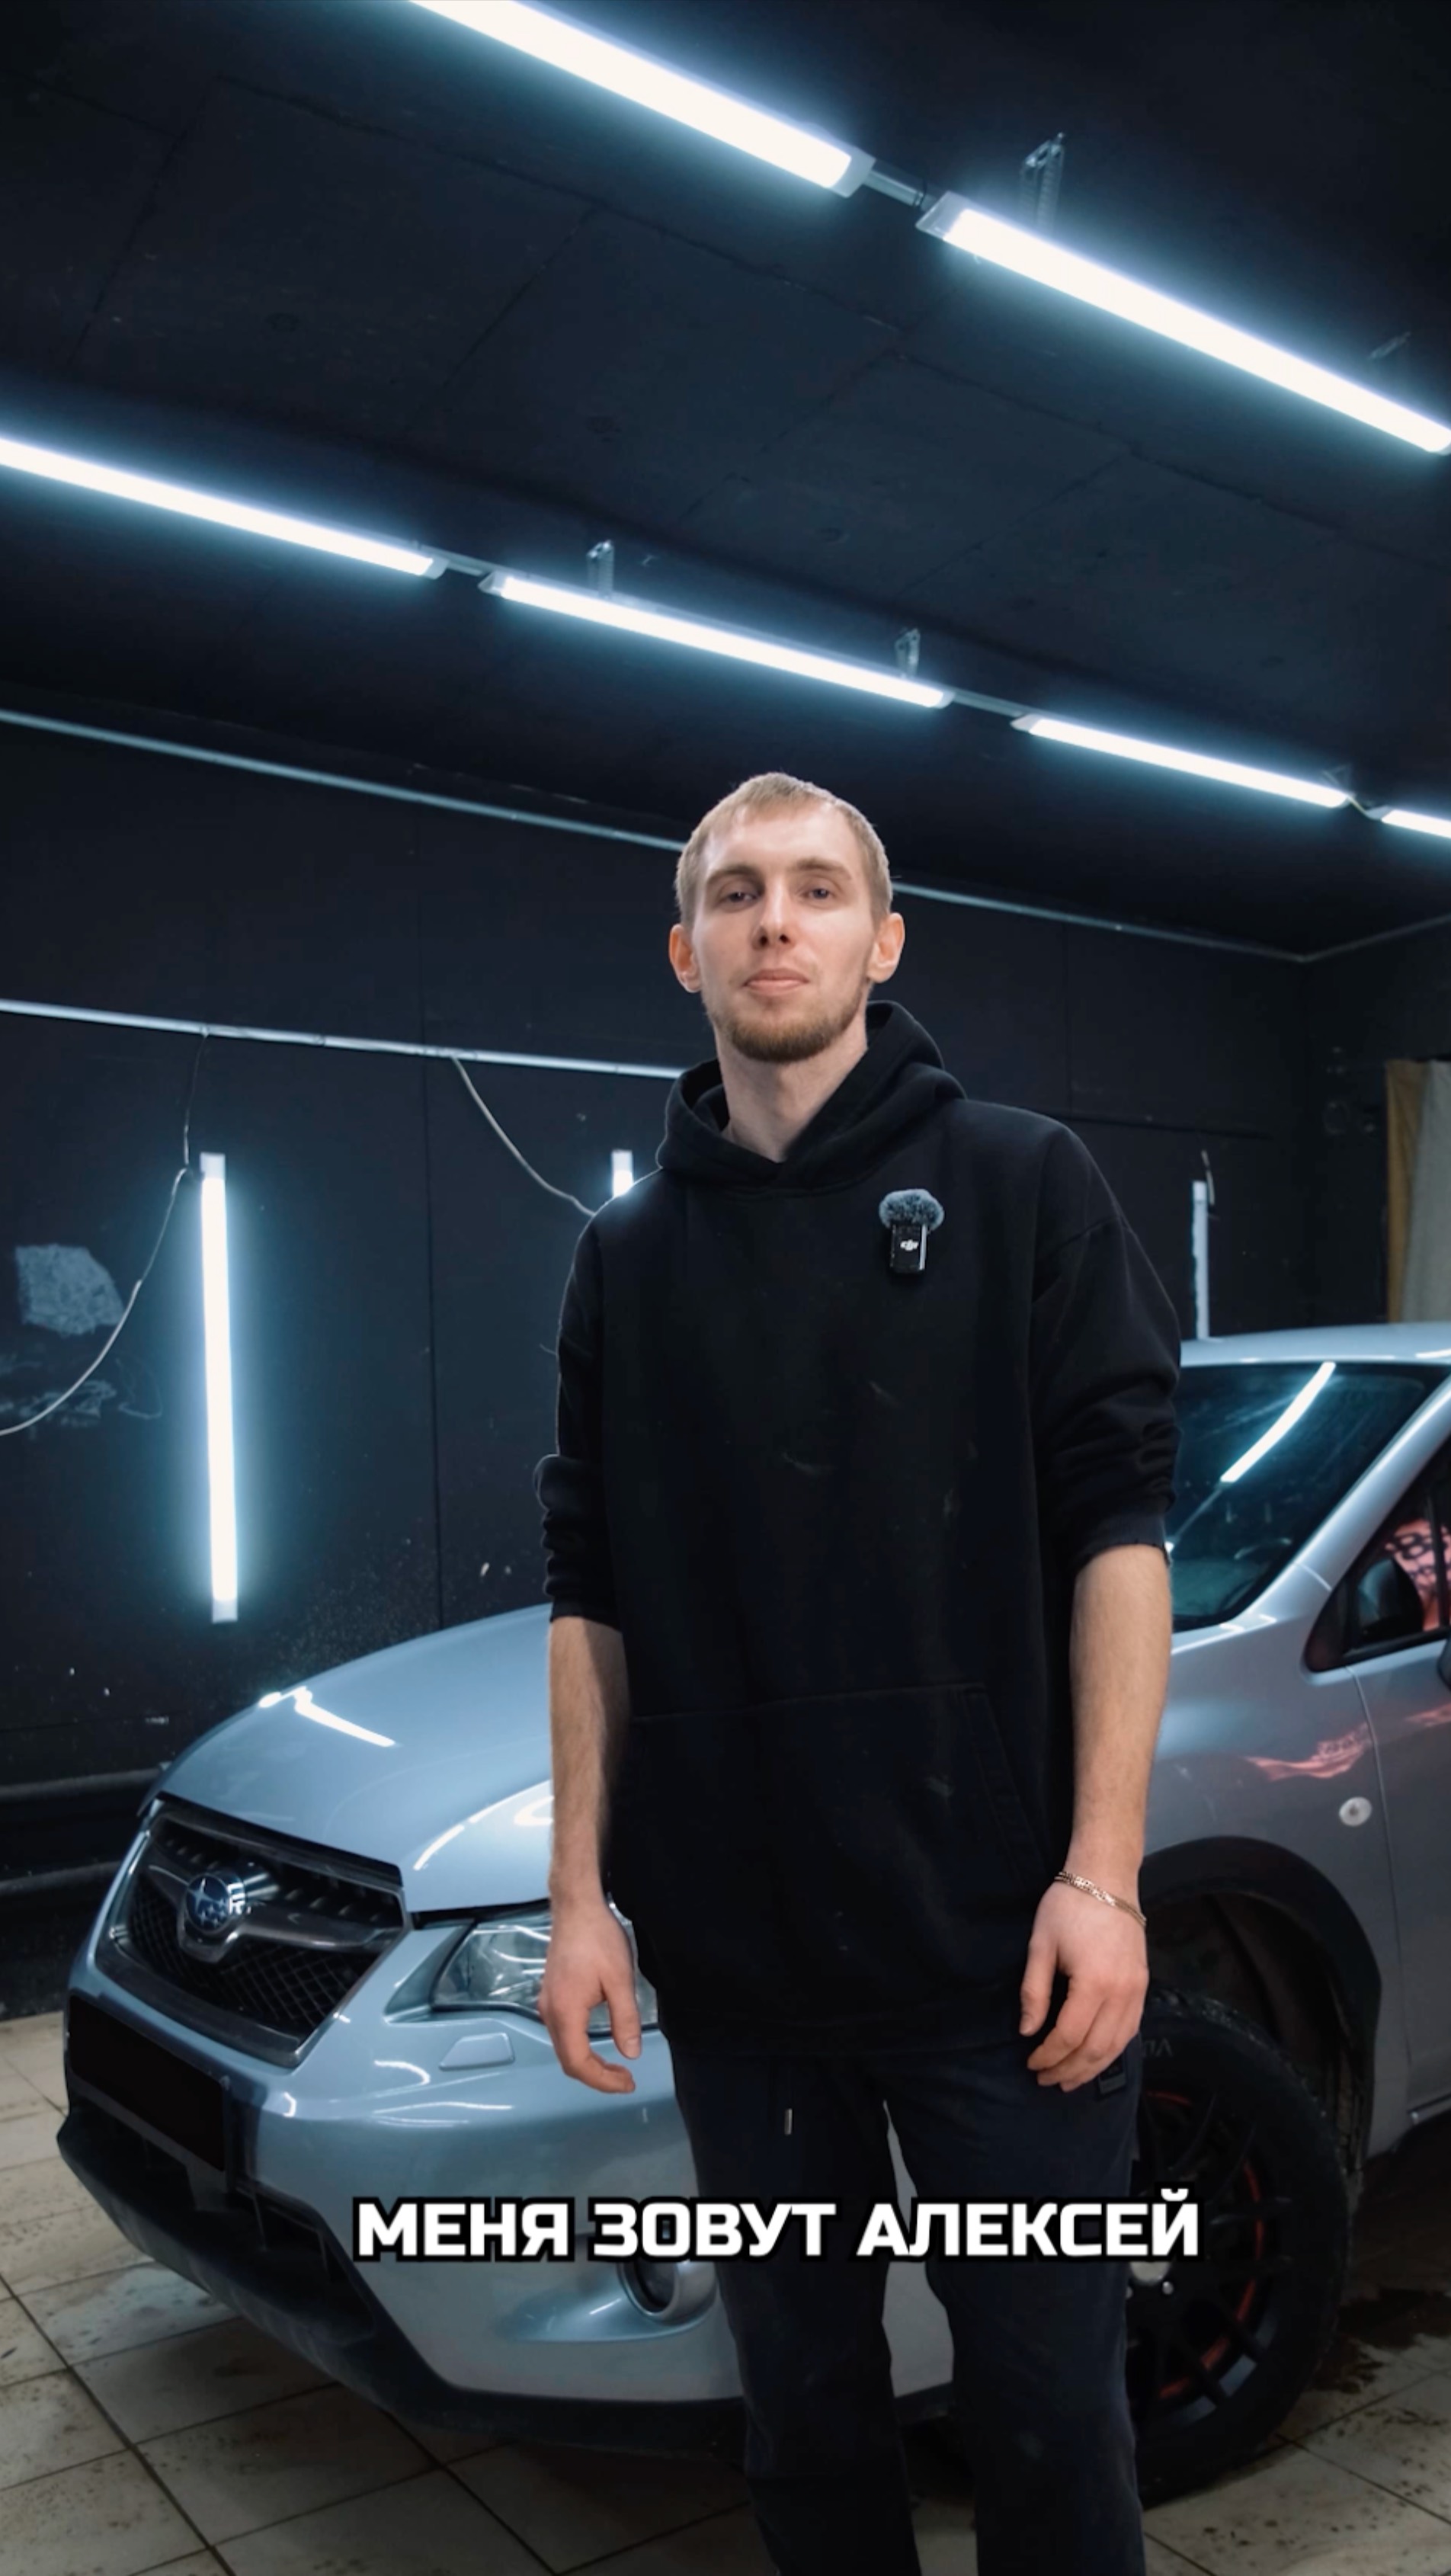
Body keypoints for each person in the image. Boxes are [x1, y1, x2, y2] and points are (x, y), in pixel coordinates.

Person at [535, 771, 1180, 2576]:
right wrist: (580, 1897)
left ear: (883, 942)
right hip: (743, 1980)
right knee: (805, 2421)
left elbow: (1118, 1534)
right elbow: (589, 1593)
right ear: (685, 951)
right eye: (736, 892)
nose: (776, 921)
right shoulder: (626, 1257)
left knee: (1048, 2423)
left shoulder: (1022, 1182)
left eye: (818, 889)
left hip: (1005, 1971)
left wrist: (1104, 1873)